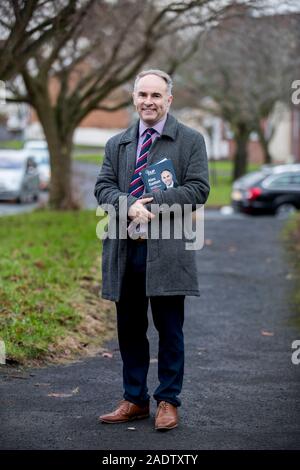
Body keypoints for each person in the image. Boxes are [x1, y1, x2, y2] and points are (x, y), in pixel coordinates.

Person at [94, 69, 210, 431]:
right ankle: (134, 399)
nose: (148, 101)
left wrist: (155, 202)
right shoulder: (118, 144)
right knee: (129, 330)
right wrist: (128, 204)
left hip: (168, 252)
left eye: (156, 96)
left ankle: (168, 401)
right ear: (133, 98)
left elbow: (198, 189)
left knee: (170, 331)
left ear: (169, 100)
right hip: (125, 251)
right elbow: (102, 188)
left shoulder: (189, 140)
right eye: (142, 94)